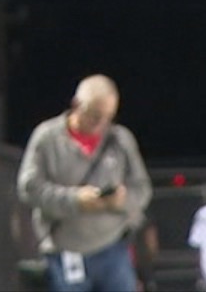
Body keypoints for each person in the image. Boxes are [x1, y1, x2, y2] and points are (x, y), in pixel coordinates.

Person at [15, 75, 152, 291]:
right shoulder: (47, 137)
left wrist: (122, 201)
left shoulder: (120, 139)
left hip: (113, 248)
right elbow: (28, 187)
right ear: (76, 105)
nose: (101, 124)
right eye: (94, 115)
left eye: (108, 117)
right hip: (66, 250)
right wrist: (74, 200)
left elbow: (142, 188)